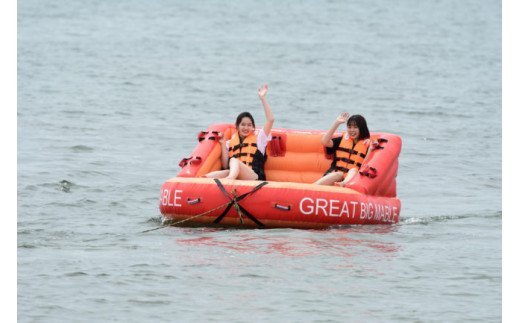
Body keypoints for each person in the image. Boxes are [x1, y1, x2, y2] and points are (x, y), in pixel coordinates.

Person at [204, 84, 274, 180]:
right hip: (238, 177)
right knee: (212, 175)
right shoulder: (230, 143)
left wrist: (262, 98)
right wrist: (223, 143)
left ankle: (229, 180)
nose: (246, 127)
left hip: (254, 178)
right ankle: (199, 182)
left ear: (253, 127)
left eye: (249, 125)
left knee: (234, 161)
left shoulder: (259, 140)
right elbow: (225, 165)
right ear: (237, 126)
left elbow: (270, 120)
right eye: (243, 124)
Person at [314, 112, 374, 186]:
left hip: (351, 179)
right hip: (334, 176)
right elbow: (325, 142)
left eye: (355, 127)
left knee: (353, 170)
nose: (352, 130)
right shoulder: (341, 140)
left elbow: (365, 164)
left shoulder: (367, 144)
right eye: (349, 127)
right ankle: (312, 187)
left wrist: (370, 149)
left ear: (362, 128)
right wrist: (337, 123)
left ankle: (344, 184)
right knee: (339, 174)